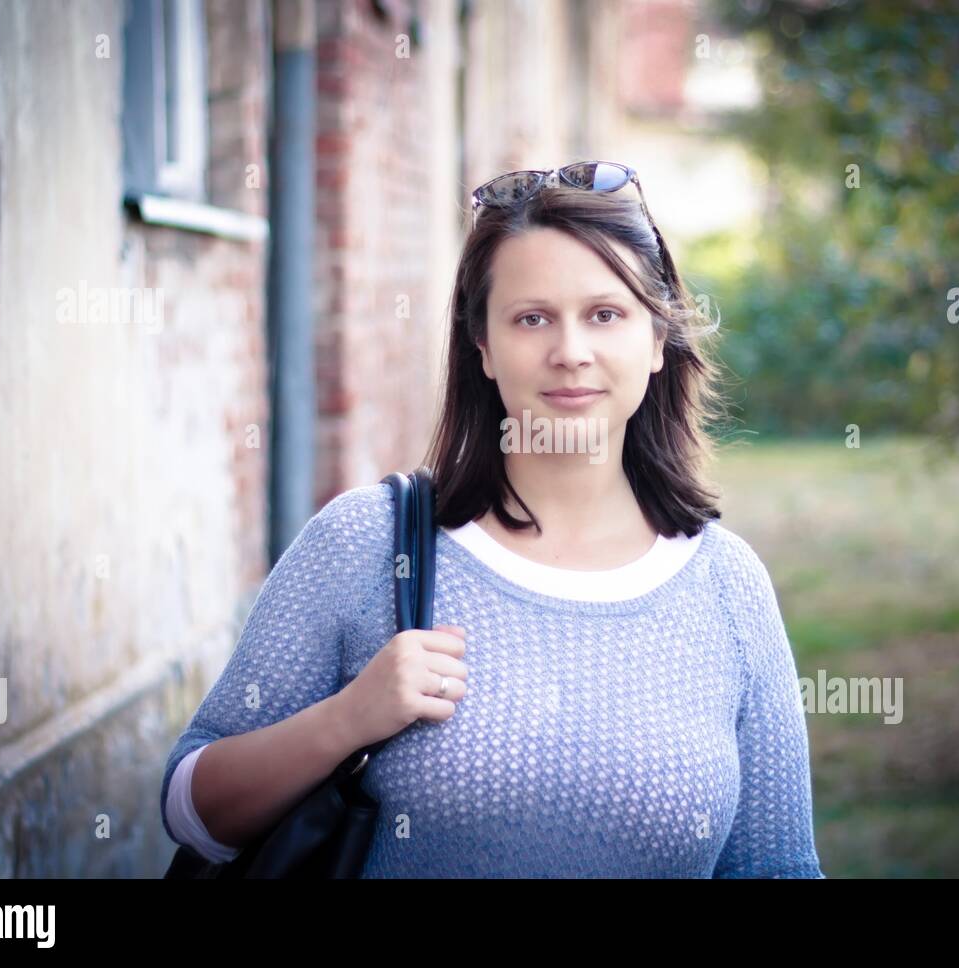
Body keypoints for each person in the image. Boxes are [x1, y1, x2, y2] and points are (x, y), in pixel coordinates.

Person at [159, 162, 825, 878]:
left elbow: (777, 866)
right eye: (531, 317)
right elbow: (192, 810)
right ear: (482, 346)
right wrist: (348, 718)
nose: (570, 352)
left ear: (657, 341)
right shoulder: (369, 547)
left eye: (606, 314)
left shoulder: (727, 587)